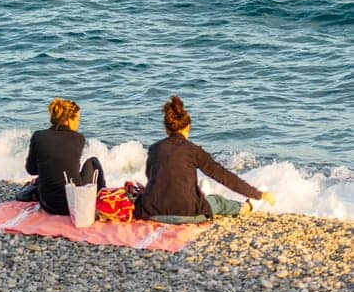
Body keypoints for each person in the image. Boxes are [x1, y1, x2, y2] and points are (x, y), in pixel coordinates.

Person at [134, 95, 276, 222]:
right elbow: (223, 176)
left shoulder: (154, 149)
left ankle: (198, 192)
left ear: (166, 128)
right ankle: (248, 207)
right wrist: (258, 194)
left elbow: (152, 179)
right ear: (188, 127)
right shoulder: (193, 150)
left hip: (152, 212)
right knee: (217, 201)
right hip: (188, 213)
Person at [24, 98, 107, 215]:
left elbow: (31, 170)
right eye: (77, 119)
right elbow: (71, 171)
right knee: (93, 162)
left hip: (48, 204)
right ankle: (102, 197)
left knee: (49, 173)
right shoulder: (78, 138)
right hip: (73, 205)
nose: (78, 123)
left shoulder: (38, 136)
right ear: (68, 120)